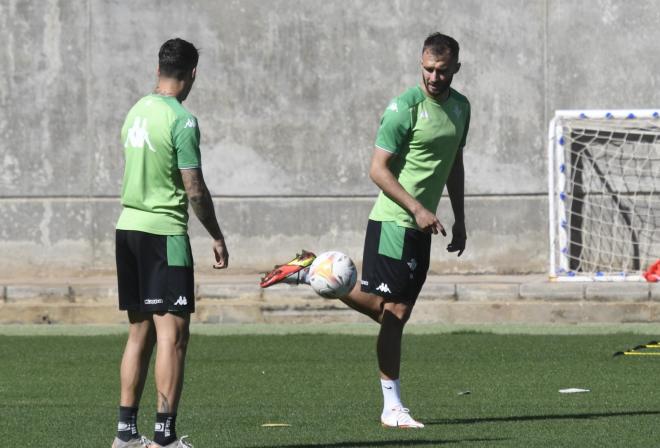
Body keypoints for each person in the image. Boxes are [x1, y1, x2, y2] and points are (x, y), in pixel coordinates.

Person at [260, 32, 469, 428]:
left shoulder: (461, 108)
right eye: (428, 69)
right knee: (394, 314)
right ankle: (392, 408)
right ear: (420, 64)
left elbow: (454, 163)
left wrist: (460, 216)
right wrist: (418, 208)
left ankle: (314, 271)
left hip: (423, 224)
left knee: (393, 313)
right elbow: (377, 169)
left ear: (456, 68)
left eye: (442, 71)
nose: (434, 77)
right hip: (394, 220)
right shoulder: (403, 108)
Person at [112, 38, 229, 448]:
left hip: (127, 229)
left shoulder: (136, 111)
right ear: (193, 73)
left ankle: (125, 435)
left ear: (159, 68)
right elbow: (193, 188)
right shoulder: (182, 119)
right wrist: (215, 234)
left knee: (139, 332)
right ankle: (164, 438)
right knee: (173, 335)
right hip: (164, 234)